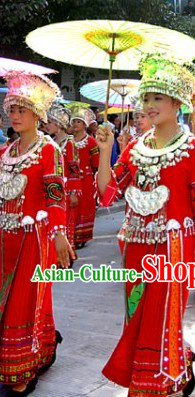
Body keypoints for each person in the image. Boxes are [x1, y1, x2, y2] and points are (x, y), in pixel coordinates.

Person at [96, 53, 195, 397]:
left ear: (177, 102)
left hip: (174, 247)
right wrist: (105, 151)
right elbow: (108, 193)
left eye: (157, 98)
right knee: (135, 314)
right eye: (146, 98)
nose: (149, 105)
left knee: (161, 315)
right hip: (135, 244)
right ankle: (173, 361)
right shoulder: (134, 148)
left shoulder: (194, 148)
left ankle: (156, 383)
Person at [0, 72, 74, 396]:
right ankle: (44, 342)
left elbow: (56, 196)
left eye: (22, 110)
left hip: (34, 238)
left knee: (25, 302)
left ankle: (23, 370)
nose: (15, 116)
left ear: (37, 114)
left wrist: (59, 234)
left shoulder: (49, 151)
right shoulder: (5, 152)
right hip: (4, 237)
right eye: (11, 109)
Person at [47, 104, 81, 263]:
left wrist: (74, 192)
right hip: (55, 190)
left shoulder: (70, 143)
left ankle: (67, 257)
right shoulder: (50, 142)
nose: (47, 125)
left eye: (50, 122)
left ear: (59, 125)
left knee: (67, 224)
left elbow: (75, 169)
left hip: (67, 190)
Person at [66, 102, 99, 249]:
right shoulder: (68, 141)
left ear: (85, 125)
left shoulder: (91, 141)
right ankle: (72, 234)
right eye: (74, 121)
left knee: (85, 206)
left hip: (86, 179)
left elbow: (96, 163)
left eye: (79, 122)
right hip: (72, 179)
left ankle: (83, 235)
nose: (76, 124)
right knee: (73, 207)